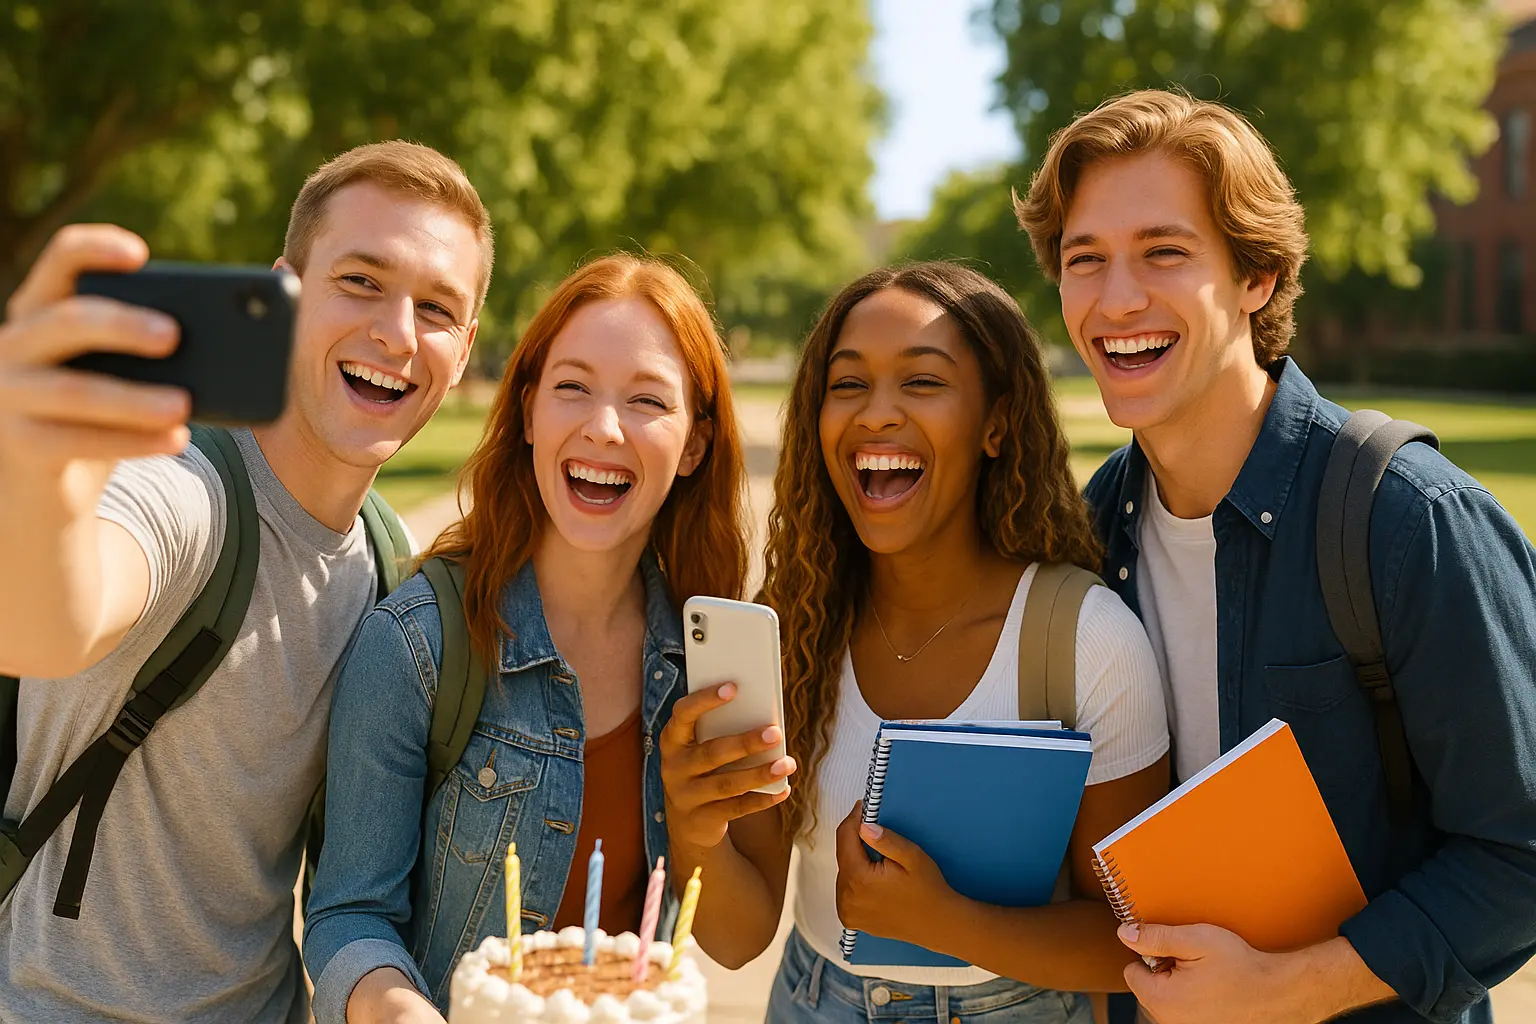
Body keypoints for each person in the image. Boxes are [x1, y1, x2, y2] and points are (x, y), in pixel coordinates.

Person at [1015, 88, 1536, 1024]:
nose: (1116, 298)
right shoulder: (1091, 536)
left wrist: (1290, 991)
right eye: (1084, 259)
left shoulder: (1408, 518)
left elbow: (1522, 854)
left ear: (1257, 278)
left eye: (1164, 252)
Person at [0, 141, 493, 1023]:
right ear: (282, 293)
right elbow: (49, 620)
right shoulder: (185, 494)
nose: (397, 333)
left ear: (463, 352)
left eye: (439, 309)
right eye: (361, 281)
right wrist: (31, 474)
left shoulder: (389, 562)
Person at [660, 261, 1171, 1024]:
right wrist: (695, 826)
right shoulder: (795, 624)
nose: (876, 414)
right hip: (810, 1001)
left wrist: (944, 922)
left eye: (923, 382)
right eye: (847, 384)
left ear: (996, 422)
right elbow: (737, 940)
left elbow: (1136, 943)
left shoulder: (1085, 641)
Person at [302, 254, 752, 1024]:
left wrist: (701, 817)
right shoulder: (417, 646)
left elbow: (739, 941)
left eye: (647, 400)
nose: (603, 427)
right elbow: (348, 916)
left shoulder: (705, 666)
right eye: (572, 386)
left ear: (695, 445)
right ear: (530, 410)